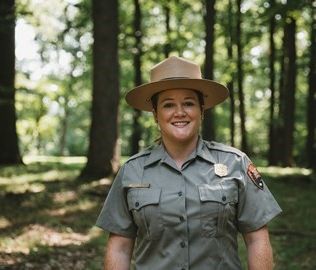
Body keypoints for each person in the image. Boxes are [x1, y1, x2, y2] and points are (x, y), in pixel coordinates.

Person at [96, 56, 282, 270]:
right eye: (168, 105)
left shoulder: (235, 164)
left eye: (188, 103)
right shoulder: (132, 171)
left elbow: (257, 238)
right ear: (156, 114)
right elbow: (120, 247)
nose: (179, 112)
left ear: (202, 111)